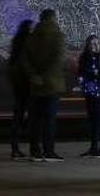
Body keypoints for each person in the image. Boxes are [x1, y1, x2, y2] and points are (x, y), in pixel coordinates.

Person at [21, 9, 67, 162]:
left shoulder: (31, 37)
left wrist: (34, 75)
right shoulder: (58, 36)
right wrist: (45, 77)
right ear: (54, 18)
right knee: (49, 120)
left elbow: (24, 59)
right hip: (51, 85)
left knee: (35, 121)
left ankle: (35, 151)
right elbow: (59, 60)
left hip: (35, 86)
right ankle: (49, 151)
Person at [78, 34, 100, 159]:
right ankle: (93, 147)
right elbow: (81, 74)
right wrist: (85, 85)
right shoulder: (84, 58)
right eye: (92, 44)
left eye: (97, 43)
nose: (95, 46)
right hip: (90, 93)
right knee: (92, 121)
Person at [8, 19, 34, 160]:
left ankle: (15, 148)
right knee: (32, 116)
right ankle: (32, 148)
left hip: (18, 85)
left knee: (18, 116)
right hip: (27, 85)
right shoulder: (29, 43)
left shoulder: (16, 43)